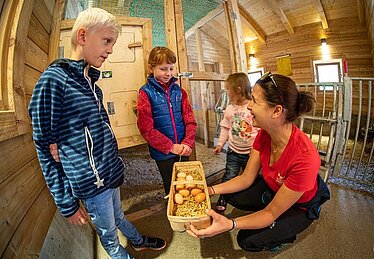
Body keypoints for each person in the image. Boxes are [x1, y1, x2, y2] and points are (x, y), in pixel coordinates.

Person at [28, 8, 166, 259]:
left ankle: (136, 240)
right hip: (92, 183)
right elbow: (43, 148)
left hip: (109, 173)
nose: (111, 49)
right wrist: (67, 204)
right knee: (109, 233)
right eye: (107, 41)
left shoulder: (91, 83)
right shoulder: (54, 80)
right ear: (82, 36)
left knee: (119, 215)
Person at [188, 72, 330, 252]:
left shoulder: (305, 158)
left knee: (247, 240)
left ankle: (285, 232)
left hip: (300, 206)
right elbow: (246, 178)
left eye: (254, 101)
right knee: (231, 193)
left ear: (277, 111)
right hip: (275, 188)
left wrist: (229, 224)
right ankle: (272, 207)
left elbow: (270, 213)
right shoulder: (264, 134)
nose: (249, 106)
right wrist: (209, 190)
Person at [137, 46, 197, 195]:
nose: (168, 73)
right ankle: (172, 214)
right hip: (163, 152)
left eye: (171, 68)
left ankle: (186, 214)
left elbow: (190, 121)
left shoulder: (180, 92)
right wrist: (170, 147)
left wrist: (187, 143)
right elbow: (146, 129)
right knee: (171, 185)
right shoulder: (145, 93)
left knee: (186, 182)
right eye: (163, 69)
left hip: (183, 148)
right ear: (151, 68)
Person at [213, 72, 259, 213]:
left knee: (251, 177)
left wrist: (257, 149)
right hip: (233, 150)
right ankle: (223, 197)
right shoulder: (230, 108)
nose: (227, 93)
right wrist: (220, 143)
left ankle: (248, 199)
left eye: (229, 90)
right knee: (230, 174)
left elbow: (260, 130)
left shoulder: (252, 107)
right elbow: (225, 127)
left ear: (238, 89)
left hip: (251, 152)